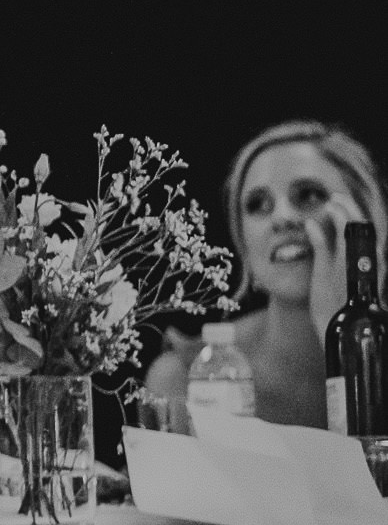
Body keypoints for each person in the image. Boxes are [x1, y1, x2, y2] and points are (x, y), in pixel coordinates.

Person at [140, 121, 381, 428]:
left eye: (308, 195)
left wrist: (341, 330)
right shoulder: (188, 376)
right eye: (258, 205)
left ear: (362, 219)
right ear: (243, 244)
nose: (281, 217)